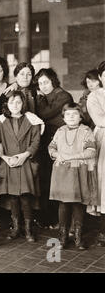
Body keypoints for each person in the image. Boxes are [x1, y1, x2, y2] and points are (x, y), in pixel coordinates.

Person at [0, 91, 44, 242]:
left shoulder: (32, 120)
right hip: (9, 162)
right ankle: (16, 227)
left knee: (25, 197)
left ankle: (28, 228)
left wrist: (24, 156)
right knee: (13, 197)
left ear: (23, 104)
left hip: (25, 162)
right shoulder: (1, 121)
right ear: (6, 105)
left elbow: (35, 142)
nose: (15, 105)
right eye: (11, 102)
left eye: (18, 102)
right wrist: (5, 158)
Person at [48, 103, 98, 250]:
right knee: (63, 204)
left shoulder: (86, 130)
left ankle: (77, 236)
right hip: (61, 172)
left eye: (75, 114)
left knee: (78, 204)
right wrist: (57, 154)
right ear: (63, 117)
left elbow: (91, 151)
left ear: (80, 117)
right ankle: (62, 237)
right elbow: (51, 147)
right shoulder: (60, 130)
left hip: (78, 172)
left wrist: (69, 156)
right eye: (68, 114)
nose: (71, 117)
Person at [35, 68, 73, 229]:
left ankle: (62, 221)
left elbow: (45, 113)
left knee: (60, 181)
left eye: (45, 82)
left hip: (63, 144)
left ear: (53, 81)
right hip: (47, 143)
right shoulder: (47, 96)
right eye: (40, 83)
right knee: (46, 180)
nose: (43, 86)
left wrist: (39, 99)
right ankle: (49, 218)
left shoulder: (63, 95)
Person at [87, 60, 105, 246]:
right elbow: (100, 119)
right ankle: (103, 230)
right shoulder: (95, 96)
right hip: (104, 139)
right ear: (100, 78)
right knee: (104, 183)